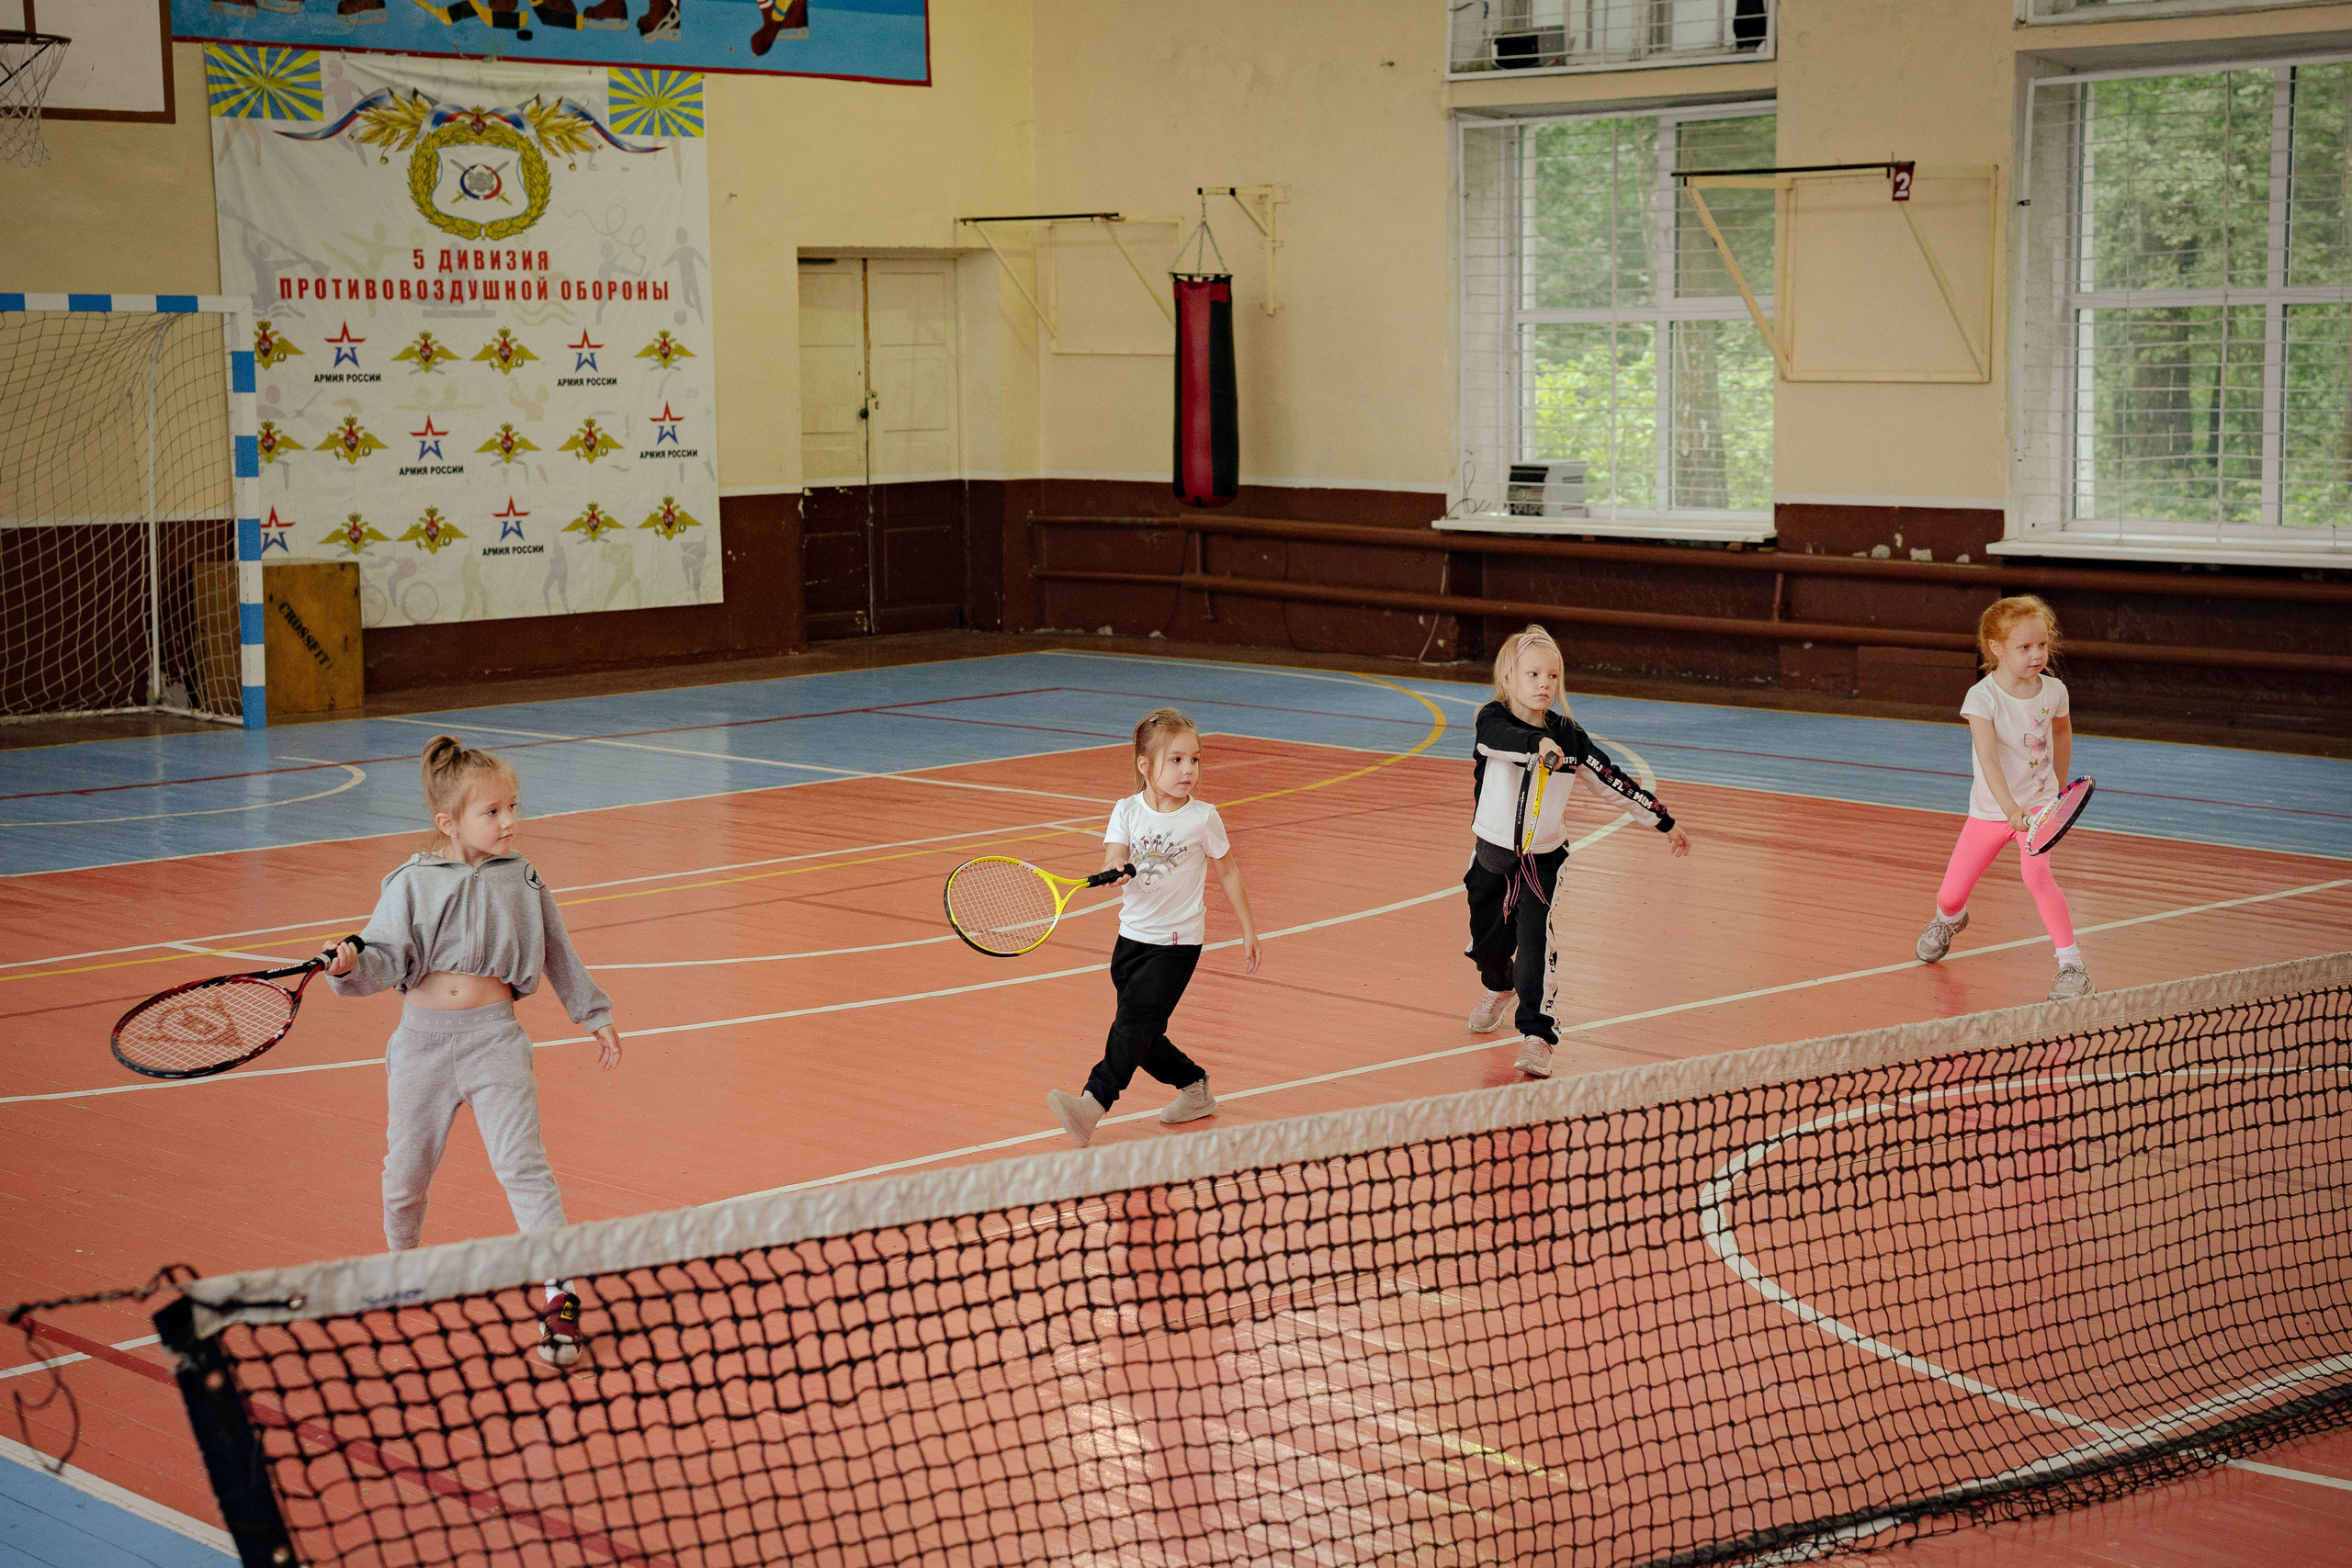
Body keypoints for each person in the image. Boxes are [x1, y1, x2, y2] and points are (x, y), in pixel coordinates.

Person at [324, 736, 622, 1366]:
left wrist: (593, 1014)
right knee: (405, 1178)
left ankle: (559, 1294)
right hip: (422, 1048)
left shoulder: (524, 879)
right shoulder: (409, 883)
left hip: (496, 1043)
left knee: (524, 1168)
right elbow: (379, 959)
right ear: (448, 820)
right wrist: (348, 966)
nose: (509, 821)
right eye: (492, 812)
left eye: (512, 806)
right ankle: (400, 1273)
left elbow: (557, 951)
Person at [1465, 625, 1690, 1079]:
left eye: (1552, 676)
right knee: (1486, 944)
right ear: (1509, 681)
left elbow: (1613, 781)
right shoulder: (1492, 720)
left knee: (1534, 941)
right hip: (1491, 854)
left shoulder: (1570, 737)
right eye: (1532, 675)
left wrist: (1661, 819)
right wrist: (1535, 745)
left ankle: (1539, 1034)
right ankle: (1498, 986)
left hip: (1543, 860)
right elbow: (1498, 742)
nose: (1544, 684)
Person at [1048, 708, 1260, 1147]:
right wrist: (1114, 869)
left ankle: (1093, 1103)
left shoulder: (1203, 817)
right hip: (1131, 939)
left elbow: (1229, 872)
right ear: (1145, 765)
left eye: (1195, 760)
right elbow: (1113, 853)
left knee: (1133, 1023)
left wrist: (1248, 929)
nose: (1189, 770)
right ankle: (1195, 1087)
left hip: (1177, 944)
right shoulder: (1126, 810)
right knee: (1140, 1030)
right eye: (1176, 760)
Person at [1916, 595, 2090, 1001]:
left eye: (2042, 646)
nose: (2036, 655)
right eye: (2024, 647)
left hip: (2038, 812)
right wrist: (2010, 809)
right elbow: (1988, 757)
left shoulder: (2054, 690)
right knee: (1950, 894)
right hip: (1992, 811)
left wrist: (2057, 794)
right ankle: (1948, 919)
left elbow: (2062, 734)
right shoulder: (1982, 698)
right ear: (1996, 648)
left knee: (2037, 878)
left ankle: (2073, 966)